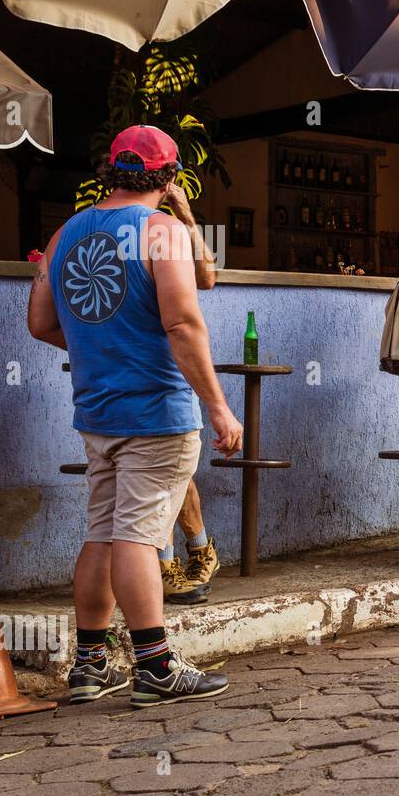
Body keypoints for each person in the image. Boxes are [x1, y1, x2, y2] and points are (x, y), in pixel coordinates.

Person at [26, 125, 241, 706]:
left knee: (103, 532)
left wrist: (103, 345)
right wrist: (219, 406)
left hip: (96, 412)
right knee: (139, 537)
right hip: (157, 411)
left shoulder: (64, 235)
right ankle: (155, 664)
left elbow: (41, 323)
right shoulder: (162, 231)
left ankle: (90, 664)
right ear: (169, 179)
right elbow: (183, 322)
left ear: (108, 172)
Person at [155, 183, 222, 606]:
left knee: (174, 471)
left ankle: (192, 553)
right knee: (165, 474)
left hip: (168, 367)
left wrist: (186, 214)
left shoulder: (170, 228)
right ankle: (176, 560)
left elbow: (208, 277)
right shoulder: (116, 226)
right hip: (139, 372)